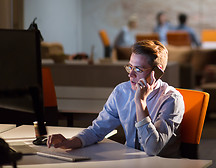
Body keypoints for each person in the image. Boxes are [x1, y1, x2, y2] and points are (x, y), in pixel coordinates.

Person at [47, 40, 185, 158]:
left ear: (157, 73)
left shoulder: (171, 100)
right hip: (130, 161)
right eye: (130, 67)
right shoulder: (121, 91)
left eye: (138, 69)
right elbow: (97, 130)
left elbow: (152, 149)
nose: (130, 74)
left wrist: (140, 103)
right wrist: (70, 142)